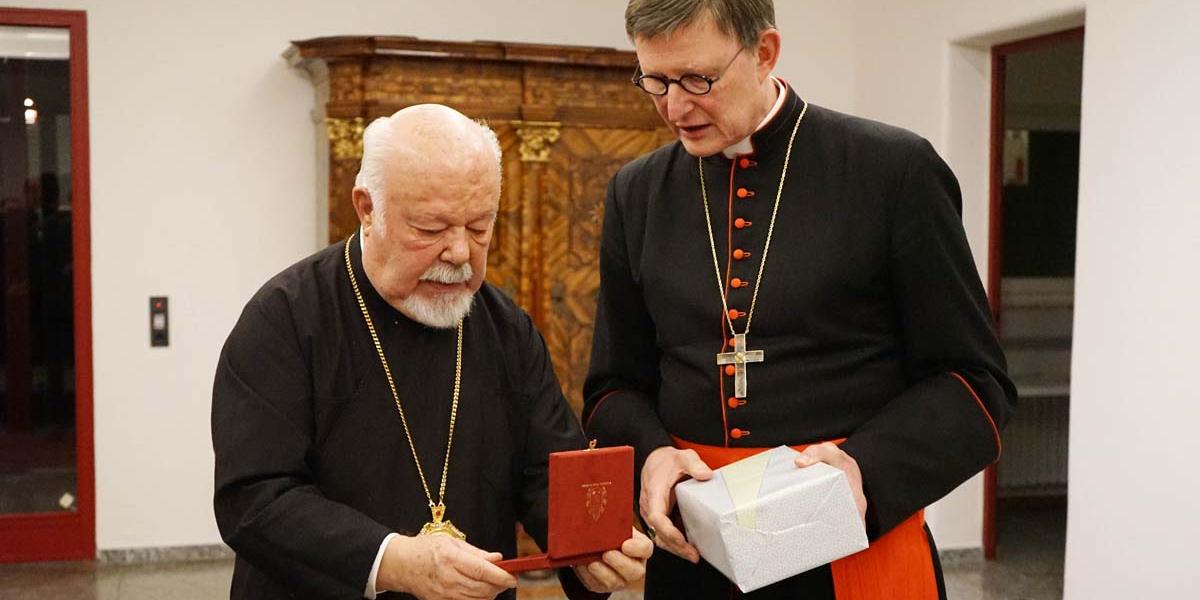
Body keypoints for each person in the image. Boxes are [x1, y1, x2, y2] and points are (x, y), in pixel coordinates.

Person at [582, 1, 1016, 598]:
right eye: (654, 80)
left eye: (697, 79)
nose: (674, 107)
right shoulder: (637, 193)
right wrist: (652, 456)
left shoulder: (892, 172)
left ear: (764, 53)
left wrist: (866, 469)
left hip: (851, 551)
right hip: (695, 563)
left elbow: (975, 385)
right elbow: (612, 387)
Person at [212, 104, 651, 600]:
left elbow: (545, 473)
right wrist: (390, 559)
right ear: (367, 207)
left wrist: (588, 551)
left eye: (480, 227)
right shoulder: (284, 320)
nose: (460, 252)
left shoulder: (505, 328)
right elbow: (254, 500)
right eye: (430, 228)